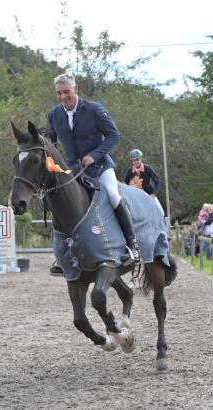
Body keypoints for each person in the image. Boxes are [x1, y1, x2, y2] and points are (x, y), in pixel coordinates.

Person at [45, 73, 140, 266]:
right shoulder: (53, 114)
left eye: (67, 92)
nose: (63, 97)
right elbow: (51, 142)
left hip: (99, 167)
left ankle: (132, 245)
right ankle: (63, 253)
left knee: (113, 195)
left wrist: (94, 155)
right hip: (72, 170)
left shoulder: (94, 109)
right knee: (60, 201)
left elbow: (114, 135)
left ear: (76, 89)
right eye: (59, 93)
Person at [125, 149, 164, 215]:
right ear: (132, 161)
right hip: (136, 198)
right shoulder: (129, 171)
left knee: (161, 212)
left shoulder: (148, 168)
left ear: (141, 159)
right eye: (134, 160)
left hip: (149, 195)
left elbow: (158, 182)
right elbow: (125, 185)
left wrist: (154, 194)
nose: (136, 162)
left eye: (137, 159)